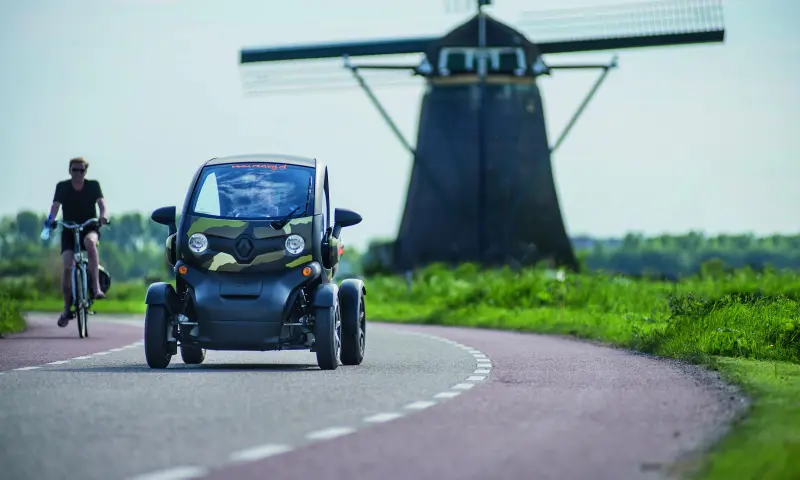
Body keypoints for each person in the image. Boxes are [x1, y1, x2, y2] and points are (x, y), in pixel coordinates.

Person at [46, 157, 109, 327]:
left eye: (81, 170)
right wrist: (51, 219)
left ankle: (96, 288)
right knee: (68, 266)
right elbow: (55, 206)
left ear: (85, 172)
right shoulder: (62, 187)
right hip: (69, 229)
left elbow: (102, 205)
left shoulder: (93, 186)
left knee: (90, 243)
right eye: (75, 170)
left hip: (89, 227)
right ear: (70, 171)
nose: (78, 174)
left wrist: (103, 216)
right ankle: (67, 309)